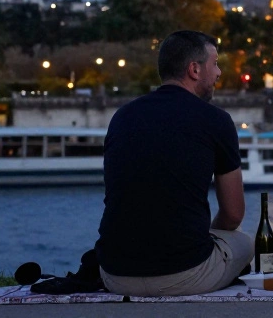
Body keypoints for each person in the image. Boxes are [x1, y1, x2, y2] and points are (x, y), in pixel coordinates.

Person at [95, 30, 252, 296]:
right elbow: (233, 215)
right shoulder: (216, 121)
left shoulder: (122, 116)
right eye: (214, 64)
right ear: (194, 69)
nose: (219, 73)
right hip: (184, 274)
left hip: (114, 273)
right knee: (245, 243)